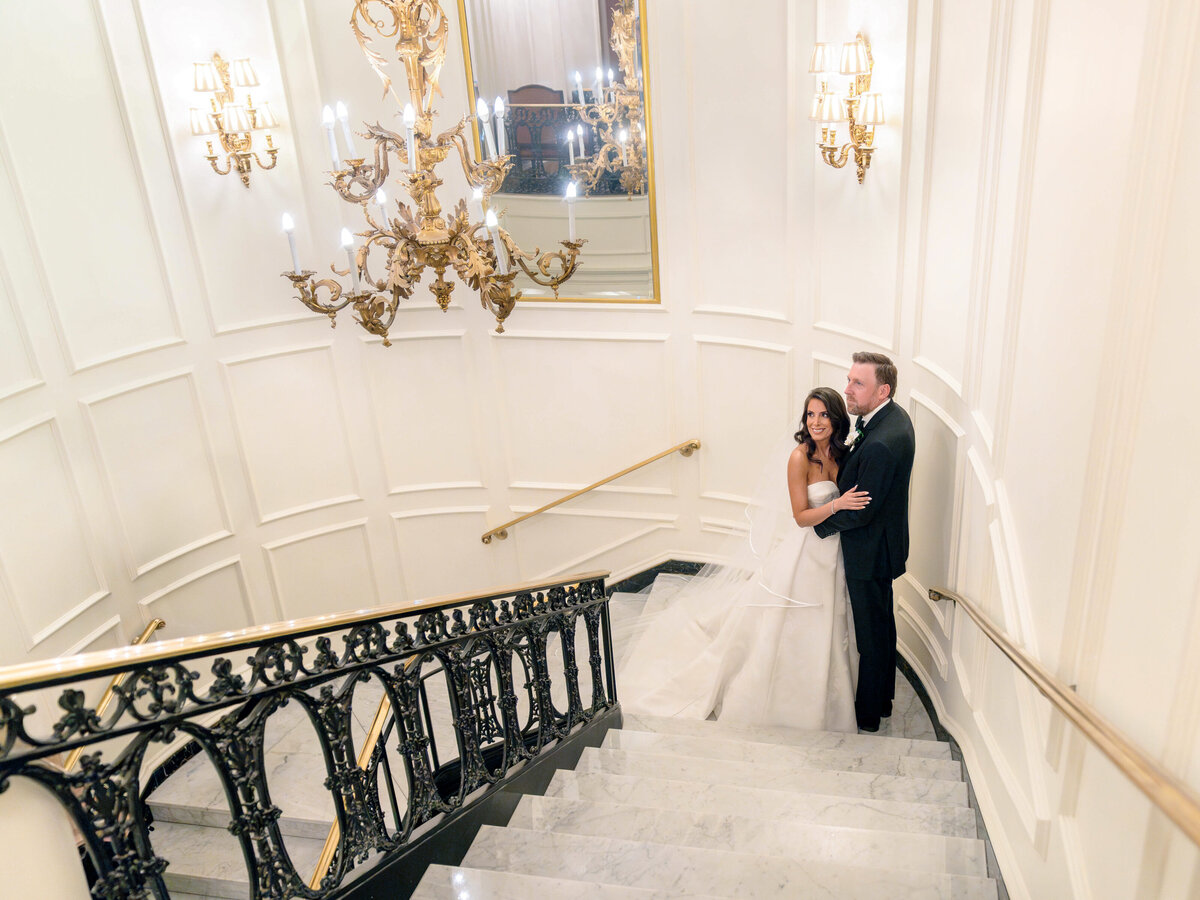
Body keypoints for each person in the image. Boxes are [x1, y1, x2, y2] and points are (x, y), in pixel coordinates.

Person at [617, 387, 871, 732]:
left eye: (824, 414)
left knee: (830, 622)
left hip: (835, 551)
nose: (816, 422)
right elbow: (800, 516)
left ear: (837, 418)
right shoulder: (799, 457)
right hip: (805, 552)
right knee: (788, 624)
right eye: (810, 414)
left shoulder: (844, 454)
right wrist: (836, 505)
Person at [814, 352, 915, 733]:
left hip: (869, 553)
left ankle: (869, 715)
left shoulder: (881, 442)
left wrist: (817, 527)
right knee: (882, 626)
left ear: (882, 389)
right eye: (849, 379)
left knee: (870, 637)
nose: (848, 389)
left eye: (858, 383)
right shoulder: (888, 417)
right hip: (883, 545)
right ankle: (883, 700)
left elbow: (860, 512)